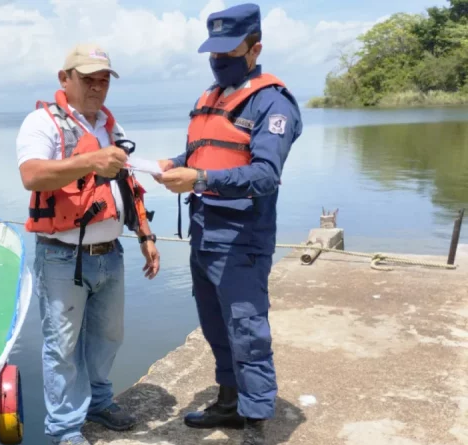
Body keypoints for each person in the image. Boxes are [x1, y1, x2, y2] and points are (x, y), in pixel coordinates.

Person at [154, 3, 303, 445]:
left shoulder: (272, 103)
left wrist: (197, 178)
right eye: (213, 52)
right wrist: (173, 165)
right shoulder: (210, 97)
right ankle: (228, 402)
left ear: (255, 49)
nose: (219, 60)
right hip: (204, 233)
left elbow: (264, 175)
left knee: (247, 329)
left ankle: (256, 422)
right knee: (216, 326)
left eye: (229, 50)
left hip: (242, 238)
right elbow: (202, 153)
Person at [16, 43, 161, 445]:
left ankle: (99, 402)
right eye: (88, 79)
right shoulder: (41, 123)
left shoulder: (112, 128)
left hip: (110, 254)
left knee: (108, 336)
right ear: (65, 79)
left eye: (104, 80)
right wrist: (89, 161)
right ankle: (64, 429)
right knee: (61, 346)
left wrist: (145, 235)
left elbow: (130, 186)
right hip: (62, 257)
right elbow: (32, 175)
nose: (98, 87)